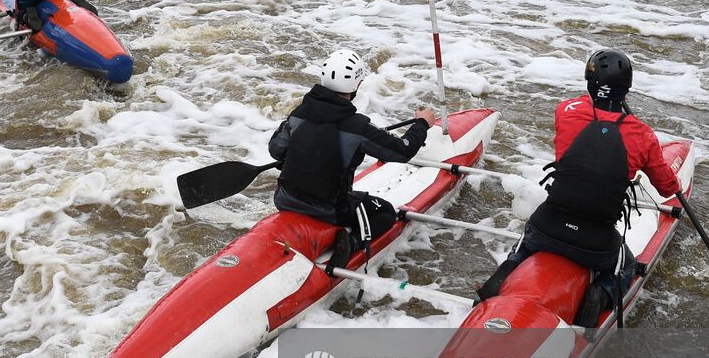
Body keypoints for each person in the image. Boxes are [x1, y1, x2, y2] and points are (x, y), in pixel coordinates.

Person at [475, 49, 679, 324]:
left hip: (547, 227)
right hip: (596, 243)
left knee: (524, 245)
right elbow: (667, 188)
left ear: (589, 84)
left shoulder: (566, 111)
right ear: (627, 91)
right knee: (628, 265)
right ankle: (603, 291)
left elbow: (584, 111)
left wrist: (602, 100)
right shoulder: (643, 135)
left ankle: (502, 275)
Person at [268, 49, 440, 275]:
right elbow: (403, 151)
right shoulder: (358, 127)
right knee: (386, 212)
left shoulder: (299, 113)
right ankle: (351, 243)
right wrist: (421, 125)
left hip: (284, 199)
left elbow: (276, 150)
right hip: (329, 209)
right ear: (356, 86)